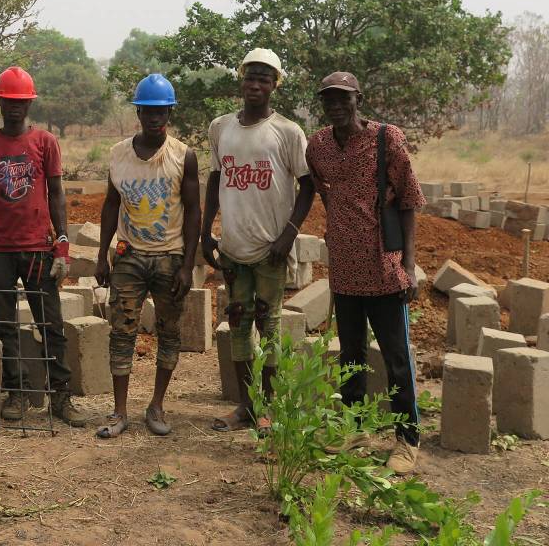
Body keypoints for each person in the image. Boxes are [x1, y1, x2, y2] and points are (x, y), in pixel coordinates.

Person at [306, 71, 425, 474]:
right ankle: (353, 428)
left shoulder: (386, 139)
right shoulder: (317, 146)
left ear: (358, 98)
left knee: (396, 358)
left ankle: (407, 439)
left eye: (343, 98)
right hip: (344, 269)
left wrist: (408, 266)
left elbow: (408, 200)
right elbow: (326, 192)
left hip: (384, 268)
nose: (336, 105)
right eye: (329, 99)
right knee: (351, 356)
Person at [203, 48, 315, 432]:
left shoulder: (287, 132)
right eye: (250, 77)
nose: (255, 84)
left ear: (274, 85)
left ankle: (267, 407)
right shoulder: (220, 128)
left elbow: (308, 184)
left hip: (271, 249)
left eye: (263, 79)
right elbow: (216, 179)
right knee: (237, 326)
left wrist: (290, 232)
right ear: (241, 80)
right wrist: (206, 233)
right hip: (233, 249)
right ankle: (245, 407)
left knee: (269, 327)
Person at [0, 66, 86, 427]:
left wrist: (62, 242)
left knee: (50, 324)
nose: (14, 108)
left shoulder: (45, 142)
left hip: (38, 248)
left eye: (20, 102)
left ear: (29, 103)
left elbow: (57, 194)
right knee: (4, 325)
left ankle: (61, 396)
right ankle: (16, 392)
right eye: (8, 101)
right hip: (0, 249)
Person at [93, 74, 201, 439]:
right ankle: (119, 411)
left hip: (170, 257)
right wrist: (100, 255)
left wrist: (187, 265)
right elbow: (110, 205)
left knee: (169, 333)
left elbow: (194, 211)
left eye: (161, 110)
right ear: (138, 110)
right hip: (129, 257)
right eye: (148, 110)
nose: (154, 117)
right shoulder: (118, 154)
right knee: (121, 331)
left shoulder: (183, 156)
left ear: (170, 111)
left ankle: (156, 405)